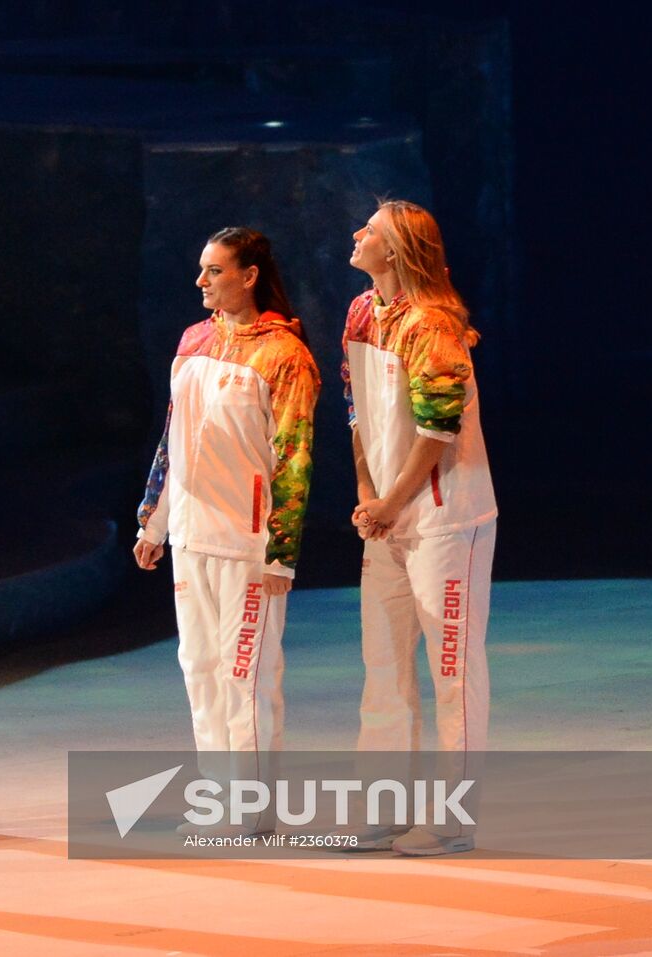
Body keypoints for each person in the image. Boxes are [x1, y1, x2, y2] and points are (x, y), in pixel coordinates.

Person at [134, 228, 320, 835]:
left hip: (248, 545)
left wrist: (282, 555)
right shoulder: (193, 342)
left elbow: (294, 460)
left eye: (214, 271)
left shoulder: (285, 356)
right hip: (191, 536)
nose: (201, 282)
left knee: (247, 674)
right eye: (201, 270)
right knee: (200, 667)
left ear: (248, 276)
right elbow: (174, 439)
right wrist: (155, 521)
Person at [342, 200, 497, 856]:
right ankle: (381, 808)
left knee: (451, 670)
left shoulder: (432, 325)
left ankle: (453, 817)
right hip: (388, 518)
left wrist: (393, 501)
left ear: (399, 250)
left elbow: (438, 429)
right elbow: (356, 408)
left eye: (370, 231)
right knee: (383, 666)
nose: (357, 234)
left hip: (443, 518)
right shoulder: (360, 312)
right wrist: (366, 494)